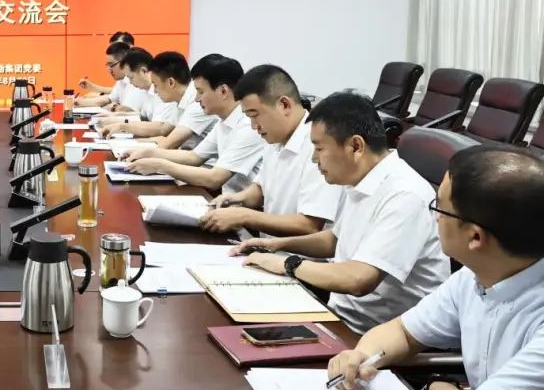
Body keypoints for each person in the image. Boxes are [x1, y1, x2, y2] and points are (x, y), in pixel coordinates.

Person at [328, 146, 544, 390]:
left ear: (475, 236)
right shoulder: (479, 274)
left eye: (439, 207)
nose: (434, 217)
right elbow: (403, 331)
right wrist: (362, 354)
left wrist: (436, 385)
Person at [237, 92, 448, 334]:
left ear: (355, 146)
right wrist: (276, 245)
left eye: (319, 148)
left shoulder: (405, 194)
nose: (314, 158)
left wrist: (287, 263)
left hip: (375, 334)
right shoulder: (362, 177)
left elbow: (358, 279)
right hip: (338, 314)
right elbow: (336, 240)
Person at [199, 64, 342, 237]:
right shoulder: (274, 138)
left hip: (297, 252)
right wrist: (236, 199)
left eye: (255, 115)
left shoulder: (318, 146)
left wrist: (244, 216)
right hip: (267, 247)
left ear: (284, 105)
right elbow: (261, 189)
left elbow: (309, 225)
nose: (254, 126)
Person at [125, 55, 265, 194]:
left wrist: (160, 165)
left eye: (201, 92)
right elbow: (194, 157)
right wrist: (150, 153)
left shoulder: (248, 126)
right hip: (226, 197)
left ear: (223, 91)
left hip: (237, 201)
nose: (197, 99)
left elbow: (215, 179)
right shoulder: (224, 121)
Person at [96, 48, 180, 139]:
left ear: (143, 71)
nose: (130, 83)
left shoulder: (164, 91)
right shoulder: (148, 91)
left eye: (131, 77)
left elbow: (160, 128)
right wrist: (115, 116)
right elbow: (142, 117)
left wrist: (122, 126)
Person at [77, 41, 132, 108]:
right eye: (107, 65)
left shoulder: (134, 82)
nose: (109, 70)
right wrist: (77, 102)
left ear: (124, 63)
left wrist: (112, 107)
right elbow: (107, 99)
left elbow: (127, 109)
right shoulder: (121, 81)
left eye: (111, 65)